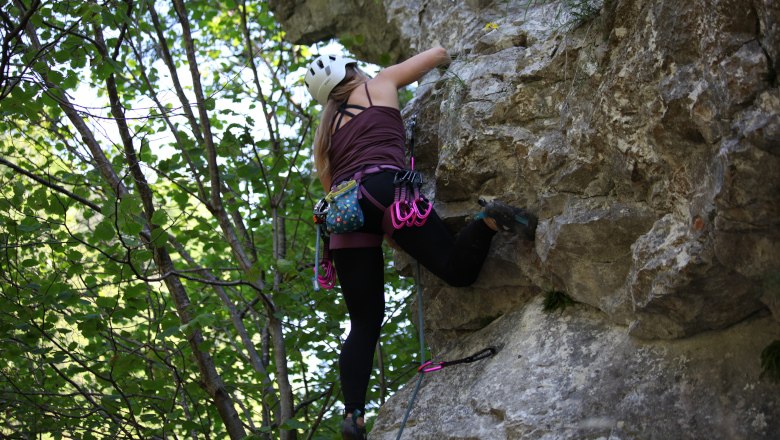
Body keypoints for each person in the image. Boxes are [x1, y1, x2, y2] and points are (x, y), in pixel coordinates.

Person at [304, 47, 537, 440]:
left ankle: (354, 415)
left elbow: (333, 188)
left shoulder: (325, 133)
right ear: (351, 69)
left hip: (344, 210)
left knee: (363, 322)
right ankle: (488, 220)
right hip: (385, 188)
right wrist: (456, 54)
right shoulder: (381, 83)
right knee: (456, 270)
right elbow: (437, 56)